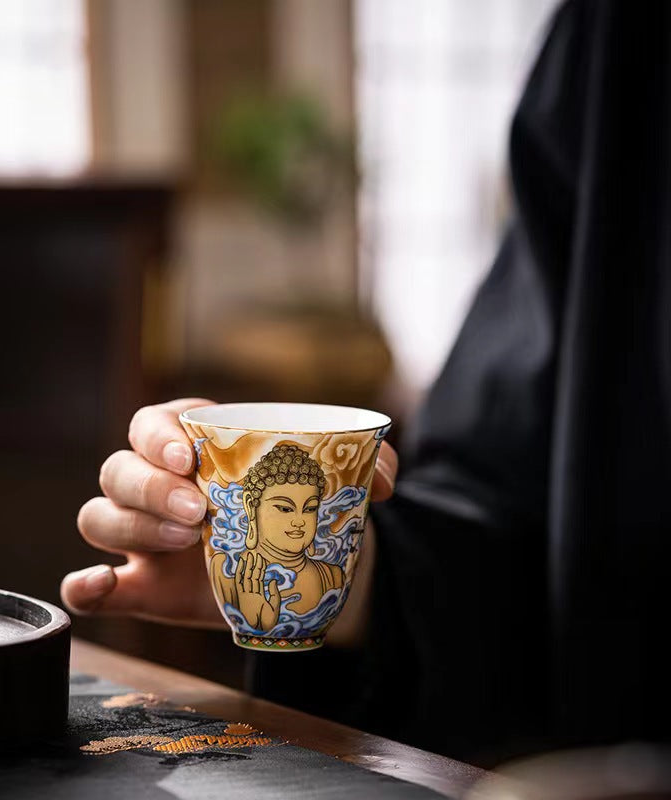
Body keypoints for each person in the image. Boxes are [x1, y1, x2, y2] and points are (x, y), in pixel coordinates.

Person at [62, 0, 671, 767]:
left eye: (302, 509)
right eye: (280, 508)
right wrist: (355, 584)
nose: (291, 520)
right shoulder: (620, 38)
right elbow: (508, 520)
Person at [211, 443, 342, 633]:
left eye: (310, 508)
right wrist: (252, 625)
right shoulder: (225, 570)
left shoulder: (332, 577)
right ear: (250, 505)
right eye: (285, 508)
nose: (299, 521)